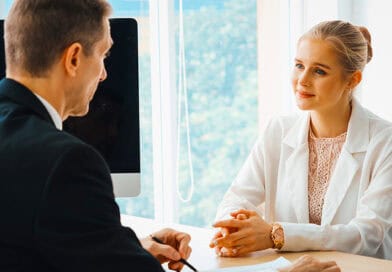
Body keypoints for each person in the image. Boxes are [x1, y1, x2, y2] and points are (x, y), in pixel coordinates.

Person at [0, 0, 191, 271]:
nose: (103, 74)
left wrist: (124, 247)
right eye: (103, 55)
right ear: (74, 58)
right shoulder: (67, 162)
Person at [210, 20, 392, 260]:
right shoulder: (278, 129)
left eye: (319, 71)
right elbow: (237, 197)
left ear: (352, 80)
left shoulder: (384, 141)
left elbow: (367, 235)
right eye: (299, 65)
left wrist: (277, 235)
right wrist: (234, 226)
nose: (302, 80)